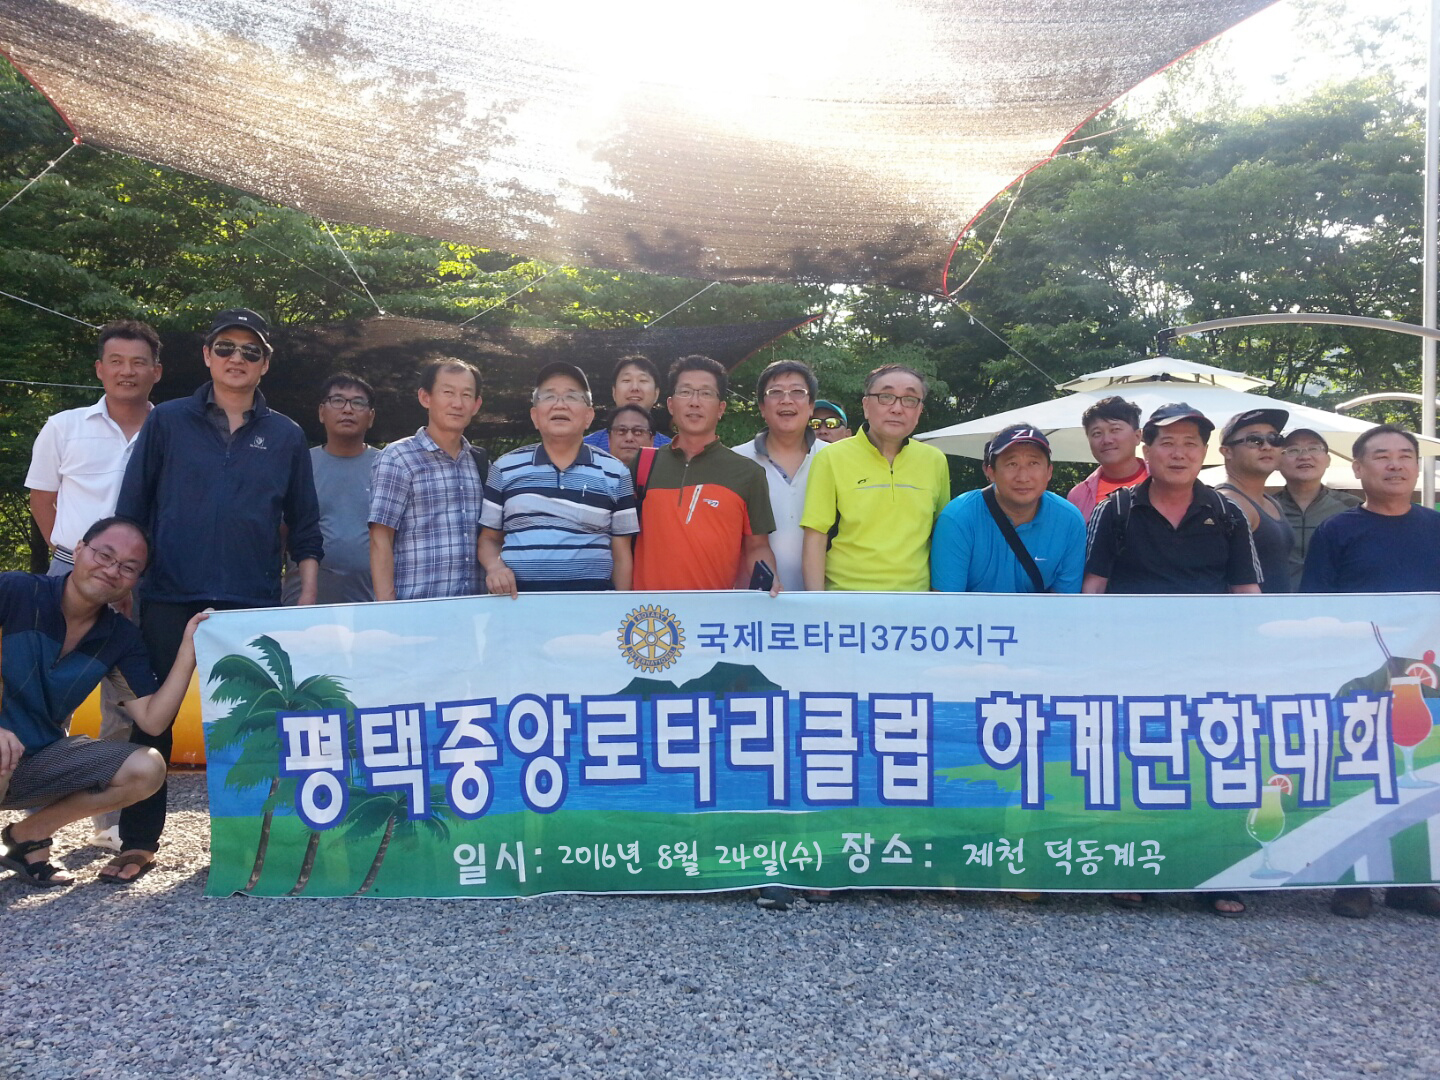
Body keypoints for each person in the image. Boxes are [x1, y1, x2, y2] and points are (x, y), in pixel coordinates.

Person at [115, 307, 321, 882]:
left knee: (255, 726)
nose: (237, 359)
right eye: (225, 347)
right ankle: (138, 842)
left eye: (250, 351)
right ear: (207, 356)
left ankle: (256, 841)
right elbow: (133, 508)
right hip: (167, 594)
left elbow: (305, 526)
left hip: (251, 601)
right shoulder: (168, 421)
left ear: (265, 364)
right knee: (151, 722)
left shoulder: (286, 435)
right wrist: (125, 587)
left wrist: (306, 594)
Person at [1082, 403, 1259, 919]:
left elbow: (1247, 591)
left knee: (1212, 767)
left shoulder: (1227, 512)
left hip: (1211, 666)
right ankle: (1134, 867)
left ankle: (1218, 874)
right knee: (1137, 765)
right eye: (1167, 442)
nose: (1179, 453)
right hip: (1132, 666)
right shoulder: (1115, 510)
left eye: (1190, 443)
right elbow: (1092, 589)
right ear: (1147, 449)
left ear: (1205, 453)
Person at [0, 518, 208, 888]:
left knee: (147, 767)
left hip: (36, 761)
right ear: (79, 549)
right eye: (104, 555)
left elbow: (153, 721)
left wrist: (188, 650)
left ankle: (29, 835)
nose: (112, 570)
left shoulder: (119, 636)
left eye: (128, 567)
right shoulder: (16, 590)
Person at [25, 318, 163, 850]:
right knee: (46, 694)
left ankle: (109, 824)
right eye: (117, 361)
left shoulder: (170, 429)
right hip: (71, 572)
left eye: (139, 362)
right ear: (99, 368)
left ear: (156, 371)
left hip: (143, 579)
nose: (128, 371)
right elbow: (43, 499)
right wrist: (79, 563)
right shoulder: (64, 427)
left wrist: (124, 572)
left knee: (124, 698)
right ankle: (37, 828)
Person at [1301, 424, 1440, 919]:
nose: (1395, 464)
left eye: (1405, 455)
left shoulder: (1435, 526)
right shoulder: (1337, 531)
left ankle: (1412, 882)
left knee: (1422, 774)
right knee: (1357, 774)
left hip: (1425, 676)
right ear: (1358, 468)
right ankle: (1351, 881)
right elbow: (1316, 605)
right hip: (1358, 673)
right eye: (1382, 456)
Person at [480, 362, 638, 595]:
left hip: (591, 605)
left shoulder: (616, 473)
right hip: (517, 604)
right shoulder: (504, 468)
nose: (560, 404)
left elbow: (621, 554)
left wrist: (619, 607)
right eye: (549, 396)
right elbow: (489, 539)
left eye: (572, 396)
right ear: (535, 416)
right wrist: (494, 567)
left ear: (589, 416)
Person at [630, 355, 779, 592]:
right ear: (671, 405)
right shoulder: (643, 464)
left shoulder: (748, 473)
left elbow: (757, 547)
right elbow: (621, 541)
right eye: (685, 392)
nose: (695, 402)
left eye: (706, 393)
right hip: (648, 612)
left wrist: (770, 581)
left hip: (713, 611)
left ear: (721, 409)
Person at [801, 365, 950, 592]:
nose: (897, 408)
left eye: (910, 400)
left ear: (920, 410)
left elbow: (942, 535)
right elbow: (815, 537)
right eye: (886, 397)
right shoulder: (831, 457)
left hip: (916, 600)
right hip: (846, 597)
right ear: (866, 406)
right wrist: (817, 603)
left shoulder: (935, 460)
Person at [369, 359, 487, 601]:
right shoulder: (398, 457)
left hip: (473, 610)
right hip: (415, 609)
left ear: (476, 405)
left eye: (466, 395)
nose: (457, 403)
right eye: (448, 392)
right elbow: (380, 538)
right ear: (425, 397)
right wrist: (387, 609)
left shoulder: (480, 462)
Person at [931, 424, 1086, 594]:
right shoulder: (958, 518)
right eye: (1012, 464)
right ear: (990, 471)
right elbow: (946, 603)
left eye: (1033, 463)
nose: (1023, 477)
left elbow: (1065, 603)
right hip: (968, 612)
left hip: (1042, 613)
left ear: (1049, 471)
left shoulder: (1069, 522)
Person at [282, 373, 380, 605]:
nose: (347, 409)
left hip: (372, 606)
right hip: (303, 605)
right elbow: (279, 533)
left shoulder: (388, 466)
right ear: (321, 412)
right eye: (337, 400)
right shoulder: (299, 465)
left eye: (358, 403)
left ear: (371, 416)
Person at [731, 360, 822, 592]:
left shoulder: (833, 458)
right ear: (762, 407)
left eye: (798, 392)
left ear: (811, 406)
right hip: (757, 599)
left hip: (825, 597)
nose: (786, 400)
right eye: (776, 392)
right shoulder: (736, 461)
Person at [1214, 408, 1295, 594]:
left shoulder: (1271, 502)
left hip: (1279, 610)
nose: (1266, 446)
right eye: (1254, 440)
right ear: (1227, 452)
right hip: (1250, 611)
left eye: (1274, 439)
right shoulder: (1228, 504)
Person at [1274, 428, 1360, 590]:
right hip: (1276, 601)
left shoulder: (1353, 507)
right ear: (1277, 461)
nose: (1305, 456)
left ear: (1328, 460)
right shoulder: (1264, 508)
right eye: (1293, 450)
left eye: (1314, 448)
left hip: (1336, 601)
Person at [1067, 396, 1147, 520]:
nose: (1107, 440)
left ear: (1137, 436)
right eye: (1097, 433)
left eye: (1115, 430)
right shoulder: (1078, 496)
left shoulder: (1163, 480)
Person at [583, 355, 672, 453]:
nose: (634, 388)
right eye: (626, 380)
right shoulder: (584, 449)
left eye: (643, 380)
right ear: (614, 392)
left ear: (656, 394)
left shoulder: (673, 453)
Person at [604, 405, 654, 470]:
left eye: (638, 432)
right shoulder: (594, 474)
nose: (629, 438)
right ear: (609, 439)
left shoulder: (663, 475)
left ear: (651, 441)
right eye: (621, 431)